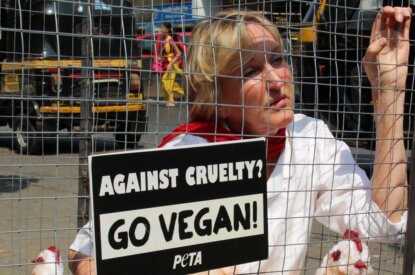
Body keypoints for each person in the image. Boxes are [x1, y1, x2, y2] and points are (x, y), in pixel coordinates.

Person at [68, 7, 412, 274]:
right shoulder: (184, 156)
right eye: (250, 72)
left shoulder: (308, 139)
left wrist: (389, 91)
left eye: (277, 59)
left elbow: (384, 223)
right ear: (214, 94)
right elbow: (83, 254)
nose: (277, 79)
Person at [158, 22, 184, 107]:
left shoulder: (170, 39)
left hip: (172, 64)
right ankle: (186, 94)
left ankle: (171, 101)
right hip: (165, 63)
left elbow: (179, 53)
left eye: (162, 28)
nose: (161, 30)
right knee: (167, 83)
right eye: (160, 28)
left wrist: (171, 63)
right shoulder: (163, 39)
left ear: (167, 29)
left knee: (166, 81)